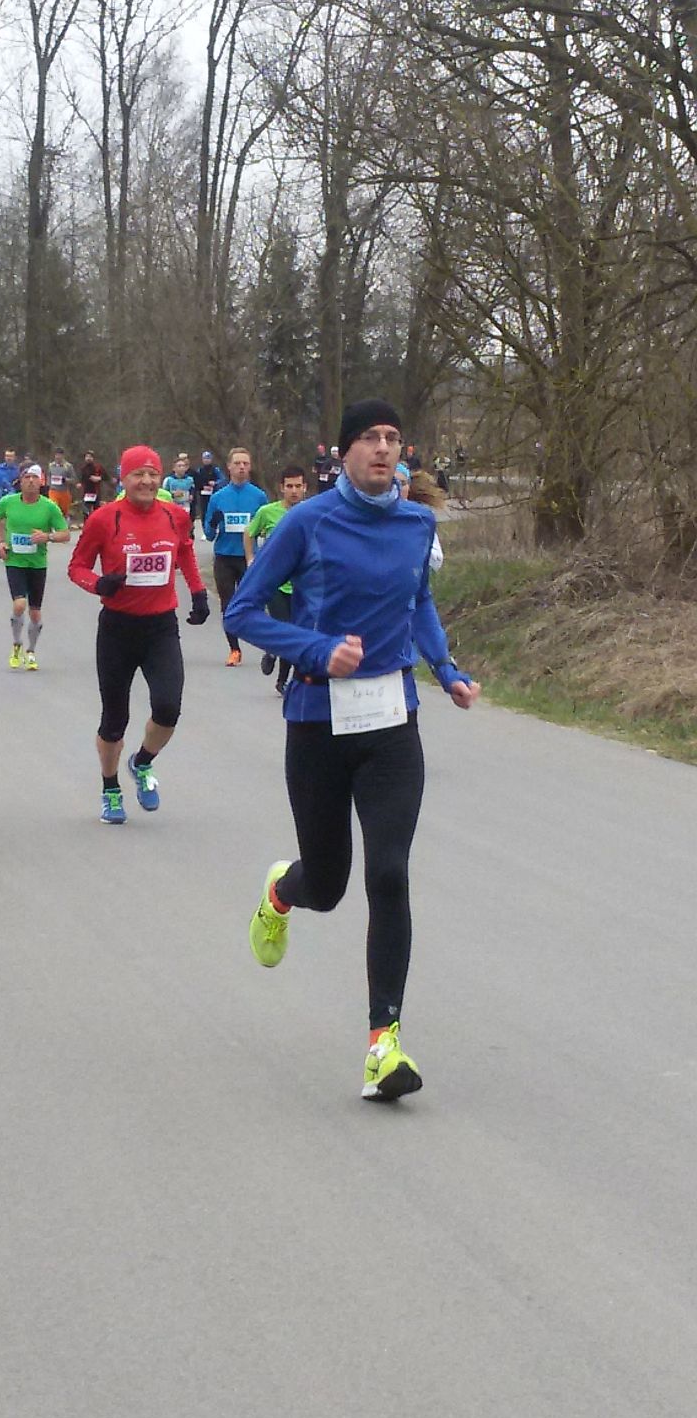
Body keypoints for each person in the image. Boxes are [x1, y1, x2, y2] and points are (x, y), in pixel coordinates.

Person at [225, 398, 481, 1102]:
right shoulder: (307, 522)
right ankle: (283, 891)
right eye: (369, 437)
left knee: (389, 873)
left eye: (393, 437)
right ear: (344, 452)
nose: (383, 447)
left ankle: (383, 1045)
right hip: (317, 721)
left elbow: (418, 602)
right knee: (330, 885)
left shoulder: (416, 524)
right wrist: (316, 650)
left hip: (393, 722)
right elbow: (242, 611)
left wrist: (446, 669)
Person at [68, 443, 209, 822]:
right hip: (117, 629)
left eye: (152, 474)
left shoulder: (175, 515)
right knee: (114, 719)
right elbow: (77, 567)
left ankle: (142, 762)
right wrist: (99, 584)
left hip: (160, 628)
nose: (146, 481)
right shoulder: (104, 519)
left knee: (168, 708)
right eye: (138, 474)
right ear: (123, 479)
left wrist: (198, 592)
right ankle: (111, 789)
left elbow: (185, 552)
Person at [0, 463, 70, 669]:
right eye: (27, 477)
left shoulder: (49, 506)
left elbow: (65, 534)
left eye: (35, 477)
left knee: (35, 613)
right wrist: (0, 542)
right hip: (15, 561)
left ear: (41, 481)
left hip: (37, 564)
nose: (31, 481)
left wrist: (47, 536)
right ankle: (17, 644)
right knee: (19, 604)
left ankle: (31, 651)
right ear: (20, 481)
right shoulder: (8, 502)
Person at [244, 464, 307, 695]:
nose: (294, 491)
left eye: (298, 486)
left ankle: (282, 679)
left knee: (297, 633)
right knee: (287, 629)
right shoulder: (267, 512)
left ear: (305, 487)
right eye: (289, 486)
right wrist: (251, 559)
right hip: (277, 583)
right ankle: (274, 655)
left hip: (302, 585)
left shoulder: (312, 512)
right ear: (281, 488)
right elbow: (249, 533)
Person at [202, 447, 268, 665]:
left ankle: (267, 645)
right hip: (224, 557)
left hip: (249, 558)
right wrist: (214, 523)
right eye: (237, 463)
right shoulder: (218, 497)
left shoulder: (259, 496)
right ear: (229, 467)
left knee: (253, 604)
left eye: (245, 464)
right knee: (228, 605)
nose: (241, 467)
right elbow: (209, 535)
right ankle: (234, 649)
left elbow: (266, 529)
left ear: (250, 467)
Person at [163, 453, 196, 530]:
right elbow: (164, 494)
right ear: (174, 468)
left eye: (183, 466)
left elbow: (192, 489)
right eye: (179, 466)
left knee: (185, 527)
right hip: (172, 506)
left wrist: (191, 495)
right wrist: (173, 495)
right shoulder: (168, 480)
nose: (182, 468)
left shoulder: (190, 479)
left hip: (186, 506)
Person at [194, 451, 224, 528]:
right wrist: (203, 487)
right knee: (204, 511)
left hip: (213, 494)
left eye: (208, 458)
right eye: (205, 458)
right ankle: (204, 527)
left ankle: (214, 526)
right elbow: (196, 482)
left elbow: (222, 479)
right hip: (203, 495)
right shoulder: (200, 470)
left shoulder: (215, 469)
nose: (206, 460)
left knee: (214, 511)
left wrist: (215, 483)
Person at [78, 452, 108, 525]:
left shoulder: (98, 467)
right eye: (87, 457)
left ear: (93, 458)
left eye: (90, 457)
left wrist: (99, 478)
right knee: (86, 512)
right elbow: (81, 479)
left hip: (96, 493)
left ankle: (96, 526)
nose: (88, 458)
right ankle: (86, 526)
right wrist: (79, 484)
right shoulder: (83, 468)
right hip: (86, 493)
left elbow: (107, 477)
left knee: (97, 512)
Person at [45, 447, 74, 521]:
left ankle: (64, 523)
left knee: (64, 512)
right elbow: (48, 476)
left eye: (59, 455)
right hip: (53, 491)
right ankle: (53, 524)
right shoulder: (51, 465)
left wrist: (66, 480)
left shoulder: (68, 466)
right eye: (56, 455)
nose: (58, 457)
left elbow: (73, 479)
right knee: (54, 509)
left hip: (64, 492)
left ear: (63, 456)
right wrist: (48, 484)